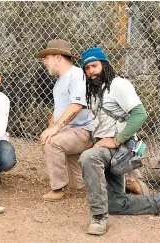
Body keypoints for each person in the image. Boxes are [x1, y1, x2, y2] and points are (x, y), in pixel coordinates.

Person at [79, 47, 160, 235]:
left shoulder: (118, 84)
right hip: (107, 148)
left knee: (88, 157)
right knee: (115, 204)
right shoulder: (94, 89)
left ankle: (98, 217)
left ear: (104, 64)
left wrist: (116, 141)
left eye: (94, 66)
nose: (91, 71)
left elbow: (140, 114)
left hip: (121, 149)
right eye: (87, 68)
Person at [35, 39, 95, 201]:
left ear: (59, 57)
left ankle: (57, 189)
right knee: (78, 185)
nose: (45, 62)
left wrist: (54, 130)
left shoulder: (76, 75)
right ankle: (109, 182)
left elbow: (76, 106)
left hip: (84, 131)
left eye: (47, 58)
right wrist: (51, 125)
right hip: (70, 131)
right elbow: (60, 110)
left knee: (52, 141)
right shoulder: (61, 80)